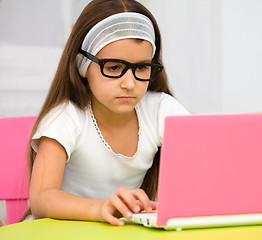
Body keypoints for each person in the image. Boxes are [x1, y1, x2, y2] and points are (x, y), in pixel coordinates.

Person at [24, 0, 189, 226]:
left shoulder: (160, 109)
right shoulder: (67, 118)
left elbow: (208, 156)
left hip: (119, 231)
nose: (129, 83)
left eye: (141, 67)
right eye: (114, 68)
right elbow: (41, 199)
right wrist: (100, 208)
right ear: (82, 64)